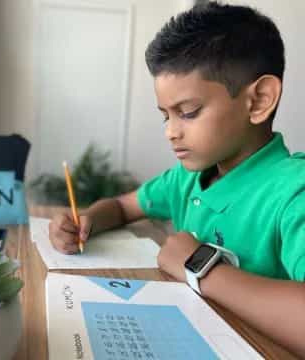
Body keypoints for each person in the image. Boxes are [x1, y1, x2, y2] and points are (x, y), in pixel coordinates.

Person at [48, 1, 305, 357]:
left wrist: (199, 267)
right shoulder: (187, 180)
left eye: (188, 112)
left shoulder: (294, 191)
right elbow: (123, 206)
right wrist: (89, 219)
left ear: (259, 100)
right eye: (165, 116)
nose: (170, 131)